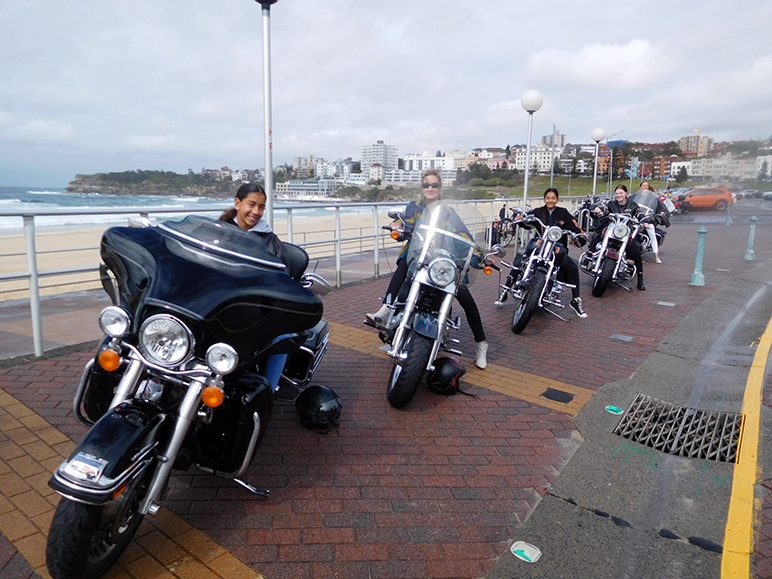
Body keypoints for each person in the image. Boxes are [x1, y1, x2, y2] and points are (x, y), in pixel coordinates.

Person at [365, 169, 490, 369]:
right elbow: (404, 222)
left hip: (443, 260)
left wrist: (476, 255)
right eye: (426, 185)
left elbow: (463, 235)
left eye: (434, 185)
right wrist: (398, 225)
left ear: (440, 188)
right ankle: (388, 308)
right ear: (422, 187)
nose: (430, 188)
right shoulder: (415, 207)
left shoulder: (448, 211)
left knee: (465, 297)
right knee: (404, 264)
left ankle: (481, 344)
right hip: (419, 256)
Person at [504, 187, 587, 318]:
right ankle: (506, 288)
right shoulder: (538, 211)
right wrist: (520, 219)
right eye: (548, 198)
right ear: (544, 199)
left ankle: (576, 300)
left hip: (557, 249)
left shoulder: (563, 213)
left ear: (557, 199)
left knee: (572, 266)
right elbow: (527, 221)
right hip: (540, 247)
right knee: (522, 255)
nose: (550, 200)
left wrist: (579, 238)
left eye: (553, 198)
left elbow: (574, 227)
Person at [591, 184, 646, 290]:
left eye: (621, 193)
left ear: (626, 194)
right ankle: (590, 255)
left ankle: (640, 279)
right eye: (617, 193)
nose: (619, 195)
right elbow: (604, 208)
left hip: (625, 233)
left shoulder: (633, 205)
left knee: (636, 250)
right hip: (611, 231)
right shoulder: (611, 204)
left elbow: (639, 214)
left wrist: (645, 220)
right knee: (597, 237)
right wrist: (597, 208)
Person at [219, 183, 282, 255]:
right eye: (251, 204)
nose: (256, 212)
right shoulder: (221, 231)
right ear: (237, 203)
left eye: (261, 207)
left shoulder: (270, 240)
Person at [632, 181, 670, 264]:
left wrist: (664, 219)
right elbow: (628, 204)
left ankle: (656, 257)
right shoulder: (634, 197)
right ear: (640, 187)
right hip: (635, 218)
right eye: (644, 185)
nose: (645, 187)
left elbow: (661, 208)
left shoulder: (653, 198)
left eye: (647, 186)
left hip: (647, 219)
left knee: (652, 233)